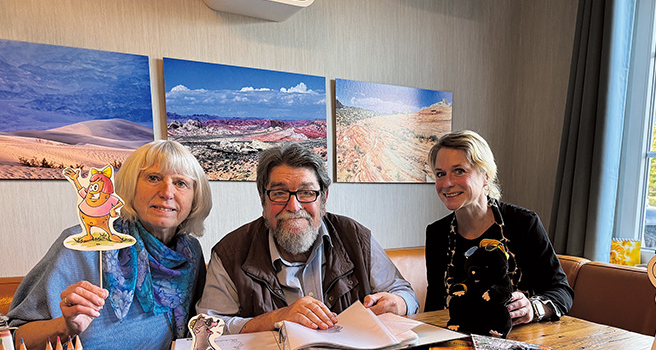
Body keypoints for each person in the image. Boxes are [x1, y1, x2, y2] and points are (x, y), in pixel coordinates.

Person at [9, 140, 212, 350]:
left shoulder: (190, 254)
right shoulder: (80, 246)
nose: (167, 192)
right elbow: (17, 343)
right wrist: (65, 327)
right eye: (153, 178)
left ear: (195, 198)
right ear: (130, 186)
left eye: (181, 183)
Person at [197, 142, 418, 333]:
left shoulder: (356, 237)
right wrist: (277, 318)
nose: (294, 207)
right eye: (279, 193)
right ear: (263, 202)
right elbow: (206, 327)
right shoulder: (230, 252)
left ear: (323, 200)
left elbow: (405, 294)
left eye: (306, 193)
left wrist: (398, 303)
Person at [425, 130, 572, 324]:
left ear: (485, 176)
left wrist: (533, 308)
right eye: (440, 174)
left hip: (519, 336)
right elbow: (434, 304)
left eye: (459, 171)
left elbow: (562, 291)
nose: (447, 183)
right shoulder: (437, 233)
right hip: (454, 337)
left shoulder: (523, 223)